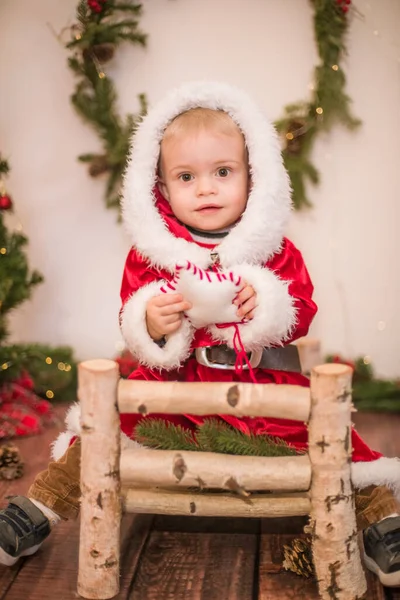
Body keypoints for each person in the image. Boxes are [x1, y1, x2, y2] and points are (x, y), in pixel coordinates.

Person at [0, 82, 399, 586]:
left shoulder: (274, 250)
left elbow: (301, 311)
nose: (206, 189)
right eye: (187, 176)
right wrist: (150, 321)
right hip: (177, 397)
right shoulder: (153, 254)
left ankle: (383, 525)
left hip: (263, 392)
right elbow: (132, 307)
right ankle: (36, 511)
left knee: (340, 442)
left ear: (253, 179)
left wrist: (271, 304)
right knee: (104, 433)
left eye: (223, 173)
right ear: (162, 188)